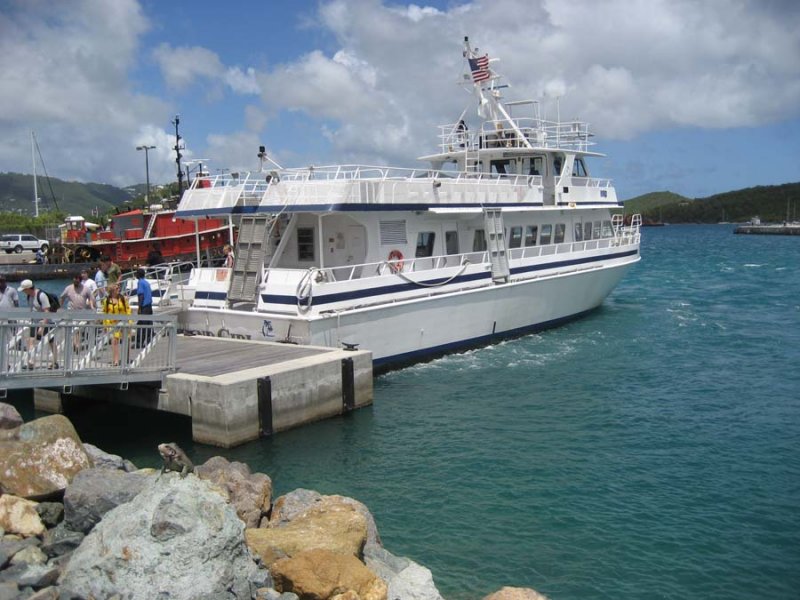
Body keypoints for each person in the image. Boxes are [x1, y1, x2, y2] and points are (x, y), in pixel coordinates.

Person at [18, 279, 58, 369]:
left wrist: (42, 326)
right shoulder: (29, 296)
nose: (23, 292)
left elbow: (47, 311)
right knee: (31, 340)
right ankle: (31, 362)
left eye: (24, 290)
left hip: (46, 322)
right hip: (35, 322)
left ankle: (55, 362)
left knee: (51, 342)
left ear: (28, 288)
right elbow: (33, 310)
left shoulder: (41, 295)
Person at [60, 274, 96, 352]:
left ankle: (76, 343)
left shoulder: (85, 289)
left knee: (79, 329)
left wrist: (92, 306)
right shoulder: (68, 288)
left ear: (80, 280)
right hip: (71, 311)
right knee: (75, 328)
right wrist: (60, 307)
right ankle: (76, 344)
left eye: (77, 280)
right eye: (74, 280)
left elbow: (91, 297)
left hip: (82, 311)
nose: (75, 281)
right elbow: (62, 297)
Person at [102, 284, 130, 367]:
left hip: (123, 322)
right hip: (112, 324)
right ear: (112, 290)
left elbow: (128, 310)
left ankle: (126, 358)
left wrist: (129, 321)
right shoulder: (106, 300)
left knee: (126, 341)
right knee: (114, 341)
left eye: (119, 288)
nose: (119, 289)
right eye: (117, 288)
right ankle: (116, 360)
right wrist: (105, 325)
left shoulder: (122, 299)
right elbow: (105, 313)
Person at [135, 268, 153, 347]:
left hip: (144, 306)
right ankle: (149, 340)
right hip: (149, 306)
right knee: (148, 323)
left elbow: (141, 295)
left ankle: (139, 342)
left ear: (138, 275)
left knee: (141, 324)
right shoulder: (146, 282)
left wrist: (139, 307)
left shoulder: (140, 282)